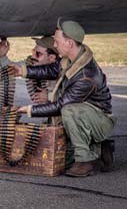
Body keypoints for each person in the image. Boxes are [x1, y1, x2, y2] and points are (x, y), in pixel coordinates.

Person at [13, 18, 116, 177]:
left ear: (69, 43)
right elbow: (52, 70)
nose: (54, 45)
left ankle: (84, 161)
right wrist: (23, 72)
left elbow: (60, 107)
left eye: (56, 41)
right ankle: (101, 148)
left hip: (99, 120)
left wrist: (28, 110)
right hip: (85, 117)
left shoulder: (86, 76)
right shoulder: (72, 59)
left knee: (69, 110)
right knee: (60, 160)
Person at [0, 36, 59, 104]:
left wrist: (50, 97)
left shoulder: (63, 71)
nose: (33, 56)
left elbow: (69, 98)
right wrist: (2, 56)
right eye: (33, 52)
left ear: (51, 58)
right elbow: (11, 69)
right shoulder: (32, 63)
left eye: (38, 54)